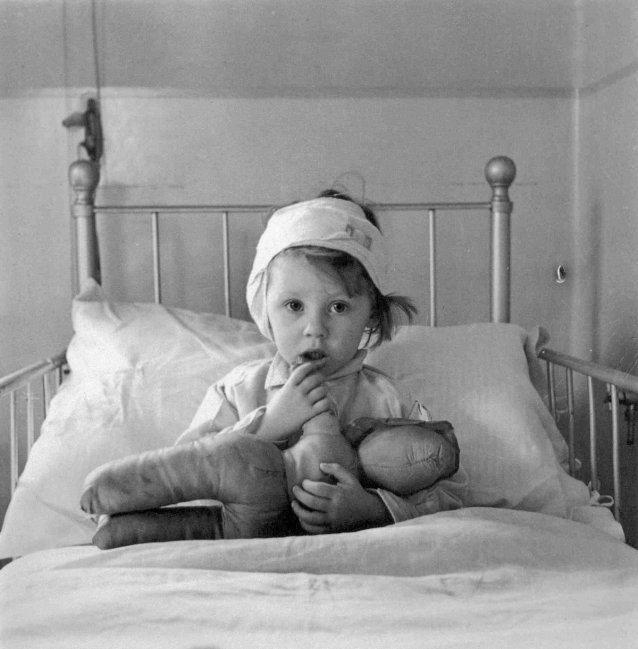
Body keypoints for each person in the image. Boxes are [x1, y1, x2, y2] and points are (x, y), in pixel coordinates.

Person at [81, 192, 467, 545]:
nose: (315, 328)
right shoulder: (238, 390)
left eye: (338, 307)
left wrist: (372, 509)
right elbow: (188, 474)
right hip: (241, 546)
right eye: (294, 306)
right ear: (264, 307)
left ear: (370, 315)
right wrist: (269, 426)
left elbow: (445, 494)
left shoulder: (386, 400)